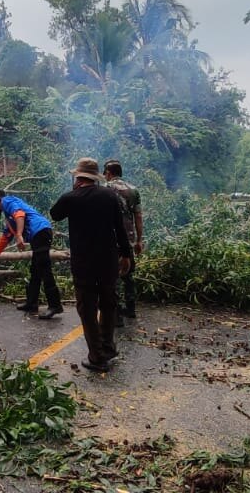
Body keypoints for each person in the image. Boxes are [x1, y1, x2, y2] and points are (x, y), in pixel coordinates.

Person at [49, 158, 134, 372]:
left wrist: (73, 191)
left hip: (84, 263)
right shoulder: (109, 196)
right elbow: (120, 228)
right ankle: (108, 347)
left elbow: (55, 213)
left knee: (87, 308)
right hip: (108, 261)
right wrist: (126, 254)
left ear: (78, 177)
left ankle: (97, 357)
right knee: (108, 303)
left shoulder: (71, 198)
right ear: (96, 177)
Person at [0, 189, 63, 319]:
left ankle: (55, 305)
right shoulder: (9, 217)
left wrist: (19, 235)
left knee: (44, 269)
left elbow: (20, 214)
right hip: (38, 235)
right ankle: (32, 303)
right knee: (35, 270)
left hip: (41, 231)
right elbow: (6, 236)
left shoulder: (8, 201)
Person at [103, 159, 144, 324]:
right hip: (129, 238)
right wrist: (139, 240)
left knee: (112, 275)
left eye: (105, 172)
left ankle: (117, 314)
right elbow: (138, 216)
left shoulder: (105, 190)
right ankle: (131, 309)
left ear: (109, 173)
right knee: (128, 273)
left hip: (111, 238)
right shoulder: (134, 190)